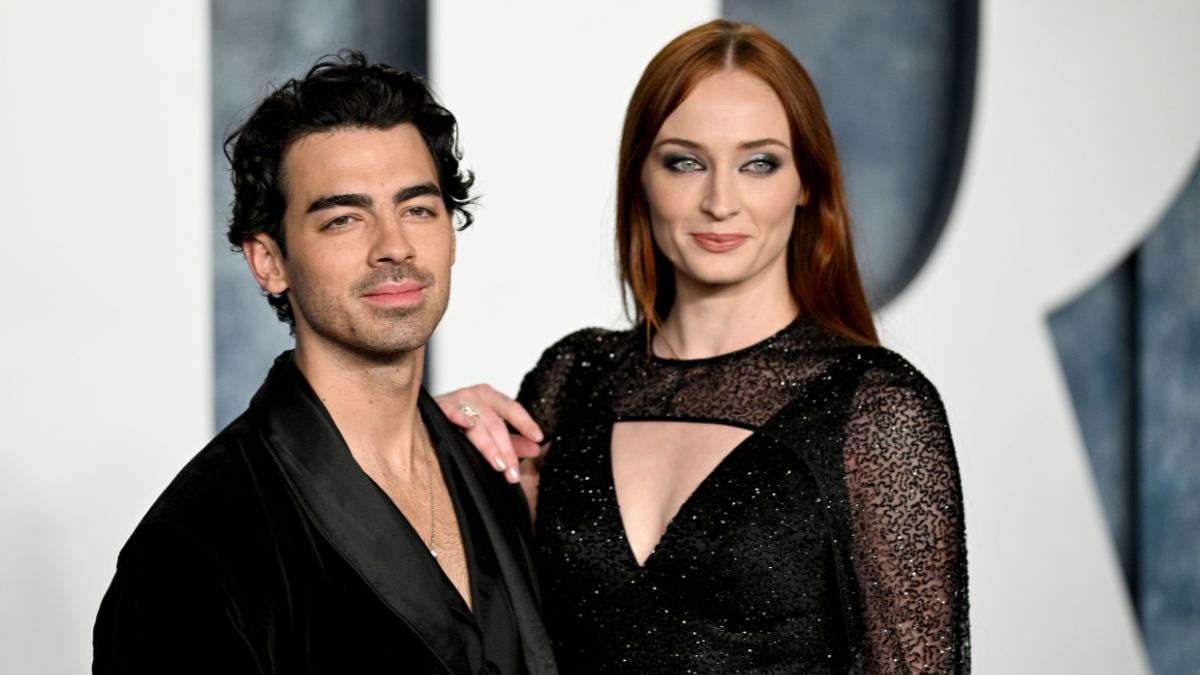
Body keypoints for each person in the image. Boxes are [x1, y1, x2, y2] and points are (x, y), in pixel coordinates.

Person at [438, 20, 969, 674]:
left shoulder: (875, 407)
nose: (720, 201)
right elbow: (482, 634)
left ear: (806, 181)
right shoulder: (574, 377)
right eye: (685, 162)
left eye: (759, 163)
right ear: (641, 176)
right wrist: (429, 451)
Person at [93, 52, 557, 675]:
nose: (394, 246)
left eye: (417, 209)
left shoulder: (493, 475)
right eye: (343, 219)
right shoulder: (196, 545)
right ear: (269, 262)